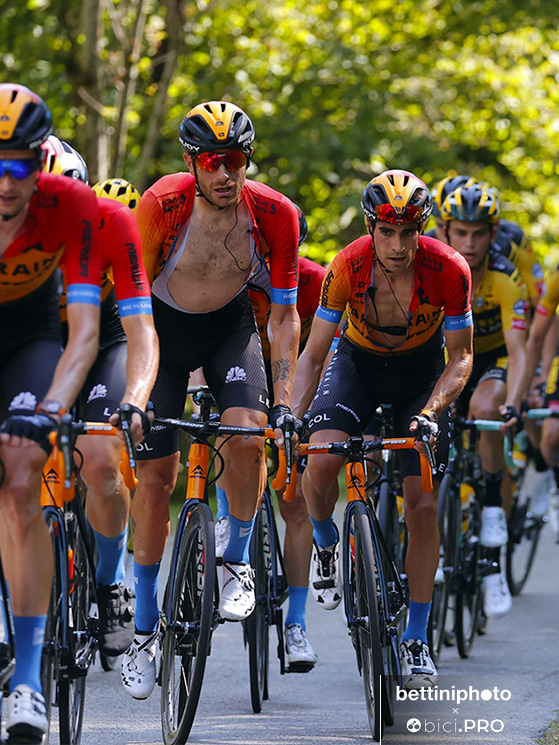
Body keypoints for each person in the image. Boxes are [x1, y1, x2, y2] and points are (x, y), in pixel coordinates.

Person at [121, 100, 301, 700]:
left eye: (236, 161)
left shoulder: (275, 214)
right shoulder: (161, 205)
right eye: (212, 162)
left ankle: (236, 559)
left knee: (248, 435)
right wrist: (137, 391)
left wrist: (284, 400)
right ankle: (144, 628)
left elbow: (284, 316)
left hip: (229, 329)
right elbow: (135, 304)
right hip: (162, 335)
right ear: (191, 162)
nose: (225, 174)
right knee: (154, 480)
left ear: (249, 160)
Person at [291, 169, 474, 689]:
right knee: (320, 460)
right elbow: (314, 355)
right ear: (371, 226)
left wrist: (431, 412)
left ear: (422, 228)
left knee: (422, 505)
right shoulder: (348, 265)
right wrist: (292, 417)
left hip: (422, 376)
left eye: (408, 231)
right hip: (359, 367)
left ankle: (416, 638)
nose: (397, 245)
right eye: (387, 231)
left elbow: (461, 359)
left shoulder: (449, 269)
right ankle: (327, 542)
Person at [0, 84, 101, 739]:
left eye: (20, 165)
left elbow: (87, 328)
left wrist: (54, 406)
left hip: (37, 339)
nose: (7, 181)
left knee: (19, 478)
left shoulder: (70, 208)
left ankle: (29, 682)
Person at [41, 138, 159, 656]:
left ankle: (110, 585)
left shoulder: (113, 222)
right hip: (40, 339)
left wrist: (135, 396)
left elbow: (141, 330)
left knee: (100, 461)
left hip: (107, 338)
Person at [439, 179, 529, 618]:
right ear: (444, 230)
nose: (470, 243)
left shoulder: (505, 276)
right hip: (446, 358)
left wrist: (515, 403)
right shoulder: (429, 263)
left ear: (494, 234)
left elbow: (520, 351)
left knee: (487, 410)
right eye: (461, 232)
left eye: (479, 234)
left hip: (492, 359)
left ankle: (492, 505)